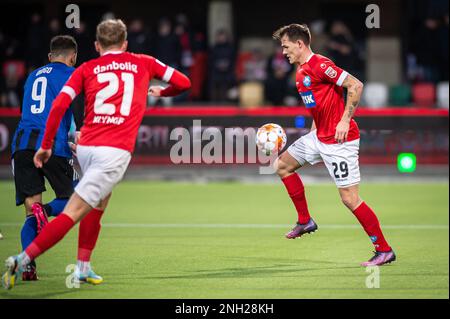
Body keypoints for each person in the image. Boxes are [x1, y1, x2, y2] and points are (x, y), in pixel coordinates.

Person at [2, 19, 191, 290]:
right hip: (112, 150)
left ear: (96, 45)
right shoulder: (143, 62)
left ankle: (83, 267)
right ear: (125, 43)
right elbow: (184, 82)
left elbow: (59, 106)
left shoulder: (86, 68)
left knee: (100, 201)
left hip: (87, 147)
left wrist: (45, 144)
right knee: (74, 210)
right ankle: (21, 260)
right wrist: (163, 91)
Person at [272, 24, 395, 267]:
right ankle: (305, 220)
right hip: (319, 136)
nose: (283, 52)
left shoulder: (320, 65)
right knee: (281, 165)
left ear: (300, 44)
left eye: (285, 46)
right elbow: (320, 107)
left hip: (341, 140)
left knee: (349, 199)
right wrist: (312, 136)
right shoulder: (300, 74)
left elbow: (356, 85)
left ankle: (384, 250)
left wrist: (344, 121)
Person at [10, 35, 82, 281]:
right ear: (72, 56)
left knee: (31, 213)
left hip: (21, 143)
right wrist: (77, 133)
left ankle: (28, 266)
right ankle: (47, 210)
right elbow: (72, 107)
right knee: (73, 199)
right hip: (50, 144)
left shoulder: (33, 75)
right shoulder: (72, 74)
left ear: (50, 56)